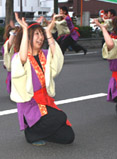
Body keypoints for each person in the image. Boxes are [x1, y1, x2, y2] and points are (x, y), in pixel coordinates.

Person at [10, 12, 75, 146]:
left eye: (41, 34)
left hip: (45, 101)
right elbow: (22, 58)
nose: (40, 38)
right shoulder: (19, 57)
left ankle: (42, 131)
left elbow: (57, 58)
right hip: (31, 104)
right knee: (60, 117)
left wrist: (48, 32)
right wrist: (25, 29)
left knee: (68, 136)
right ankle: (31, 133)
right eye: (36, 34)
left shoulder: (45, 55)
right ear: (28, 38)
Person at [2, 20, 17, 94]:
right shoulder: (8, 43)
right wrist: (13, 32)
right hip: (12, 66)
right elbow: (10, 43)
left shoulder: (16, 42)